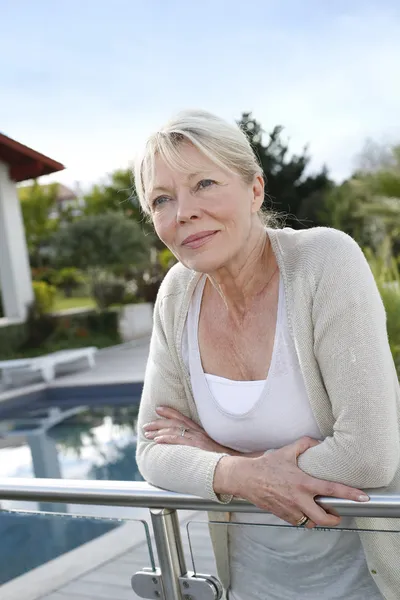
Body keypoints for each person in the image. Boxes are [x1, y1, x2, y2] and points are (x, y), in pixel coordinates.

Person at [134, 109, 400, 600]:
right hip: (250, 581)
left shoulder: (325, 261)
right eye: (162, 200)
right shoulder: (177, 294)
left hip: (369, 580)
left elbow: (370, 456)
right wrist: (241, 474)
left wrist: (223, 461)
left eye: (205, 183)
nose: (183, 211)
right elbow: (152, 451)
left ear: (255, 189)